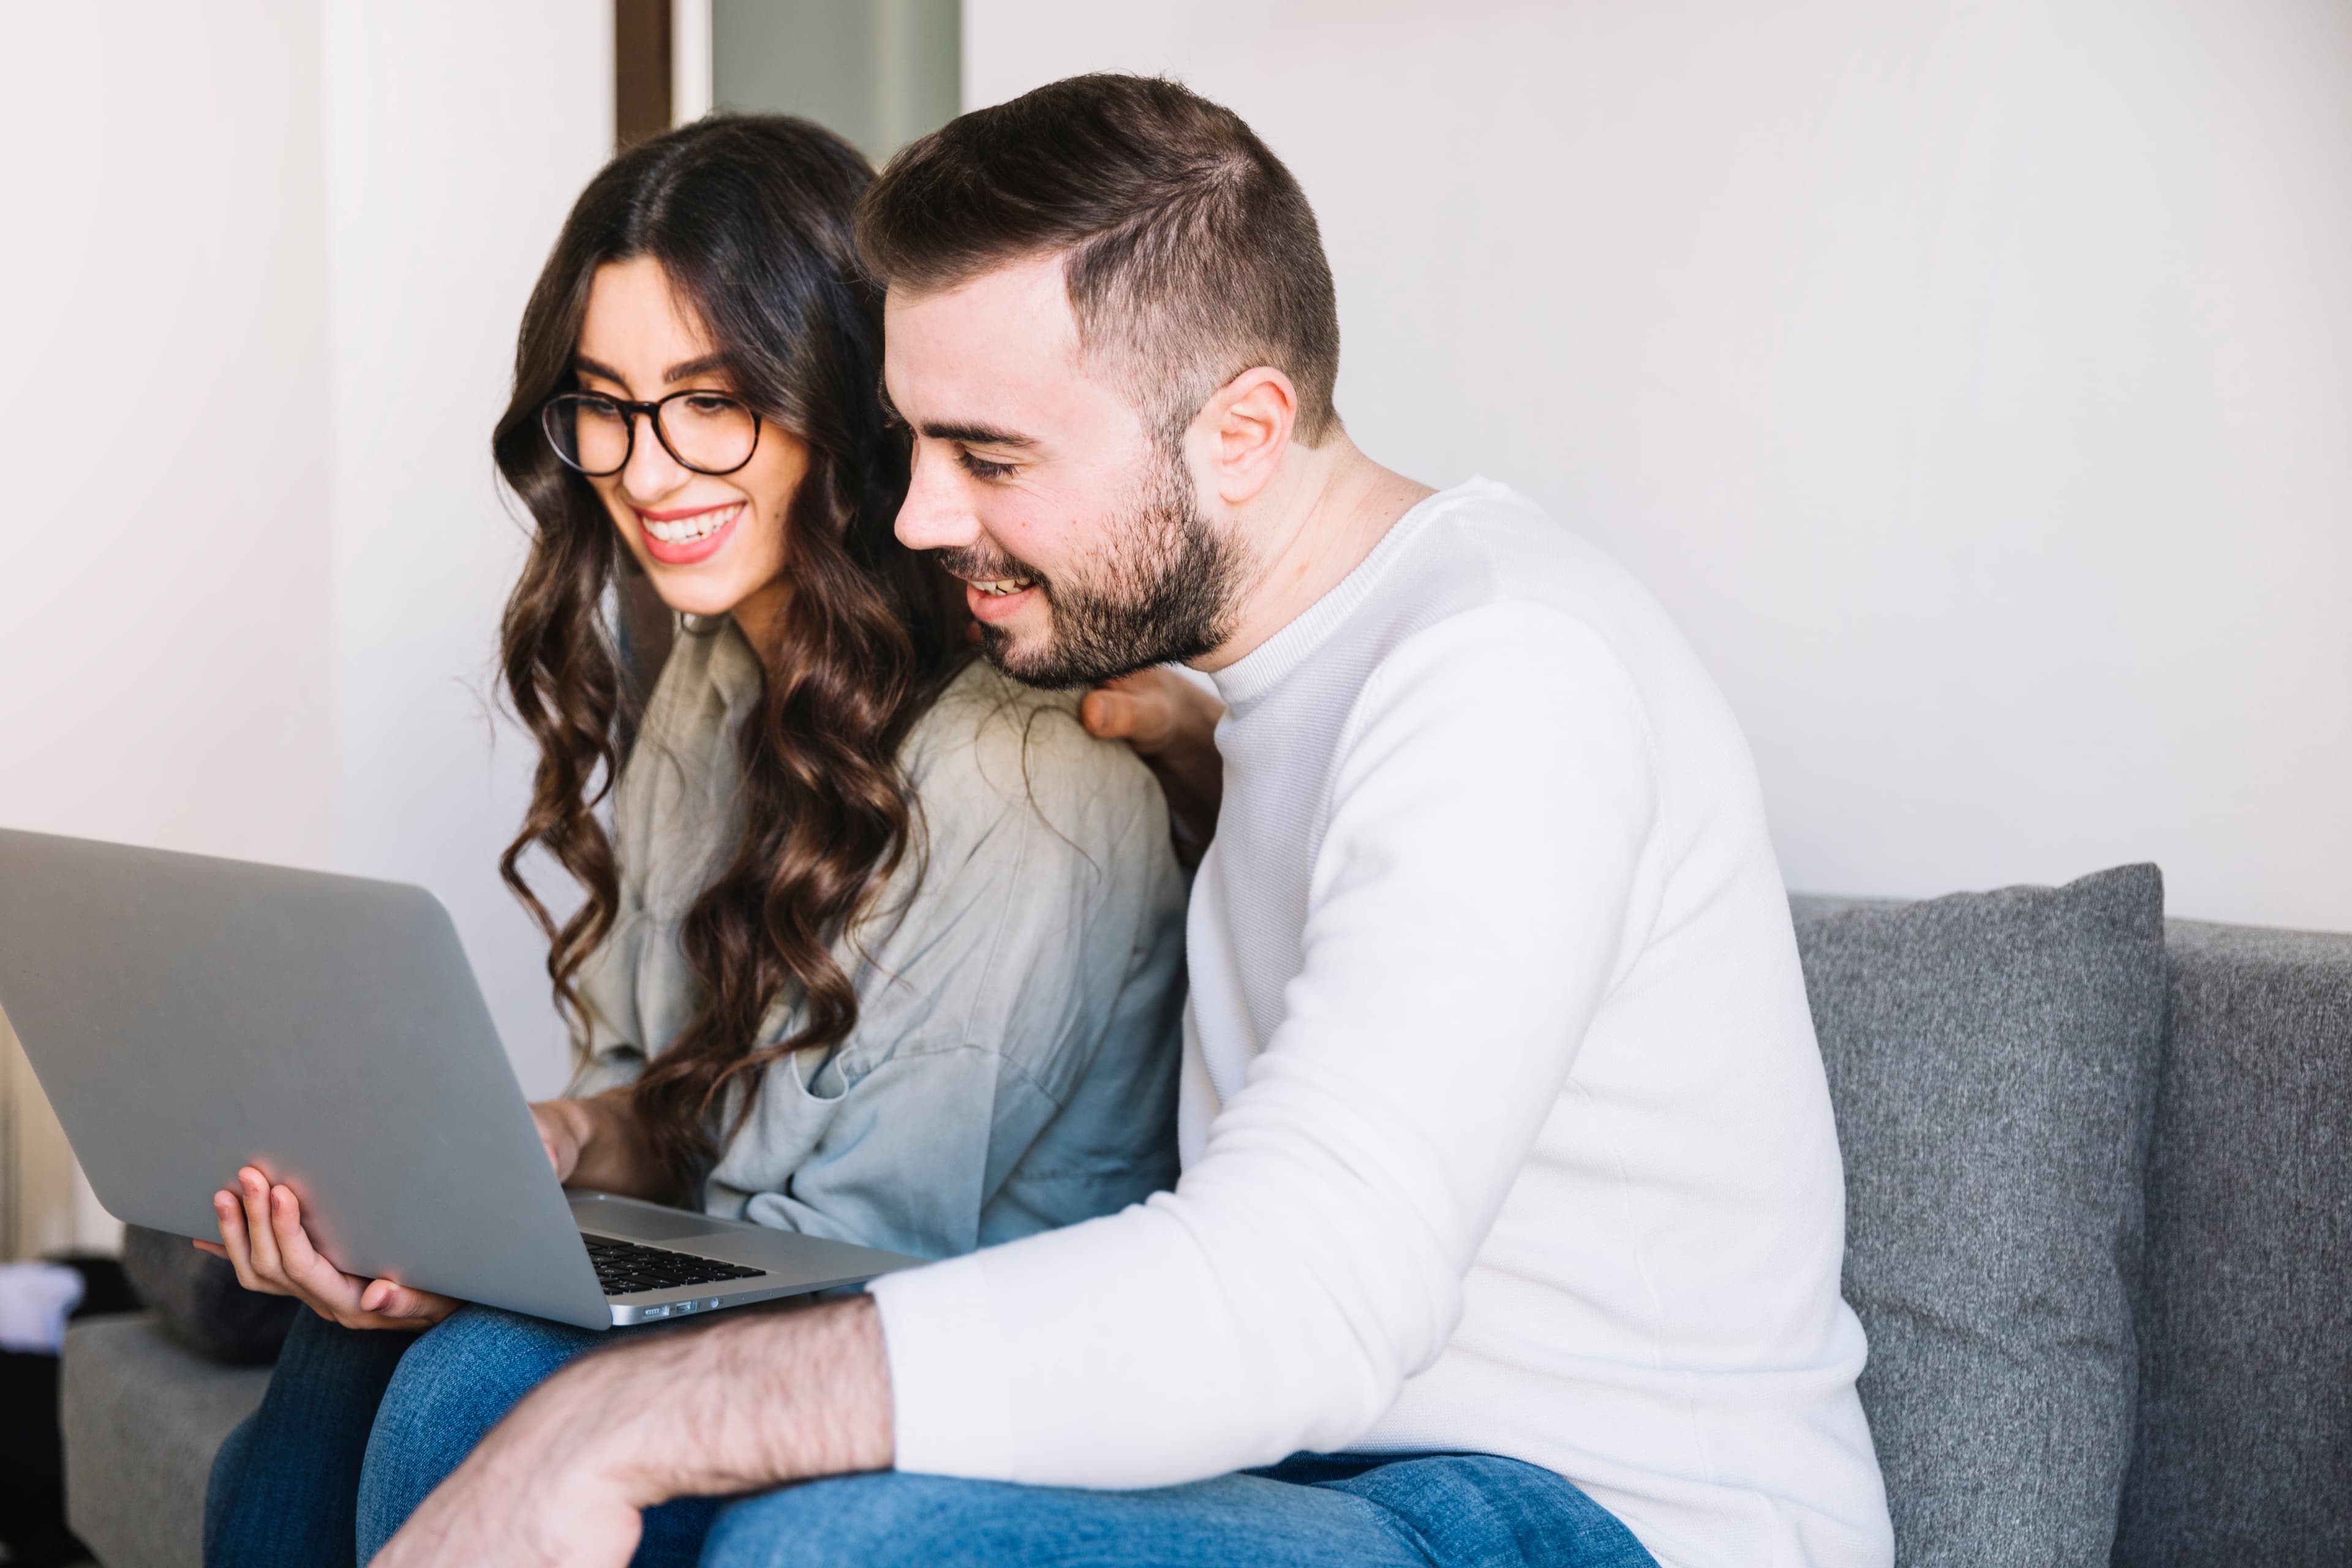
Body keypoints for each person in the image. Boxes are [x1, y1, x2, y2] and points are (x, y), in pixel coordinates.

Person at [373, 74, 1898, 1568]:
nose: (914, 517)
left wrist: (632, 1419)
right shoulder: (1262, 693)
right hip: (1321, 1467)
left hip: (1584, 1510)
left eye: (990, 455)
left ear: (1241, 433)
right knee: (470, 1381)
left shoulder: (1509, 677)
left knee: (838, 1544)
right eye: (913, 442)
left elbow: (1305, 1287)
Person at [195, 113, 1188, 1568]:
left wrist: (517, 1274)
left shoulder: (1033, 772)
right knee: (348, 1323)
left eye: (711, 401)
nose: (649, 471)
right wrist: (539, 1153)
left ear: (837, 398)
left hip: (933, 1365)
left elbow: (861, 1255)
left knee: (475, 1362)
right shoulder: (721, 671)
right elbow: (650, 1110)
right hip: (760, 1294)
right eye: (604, 402)